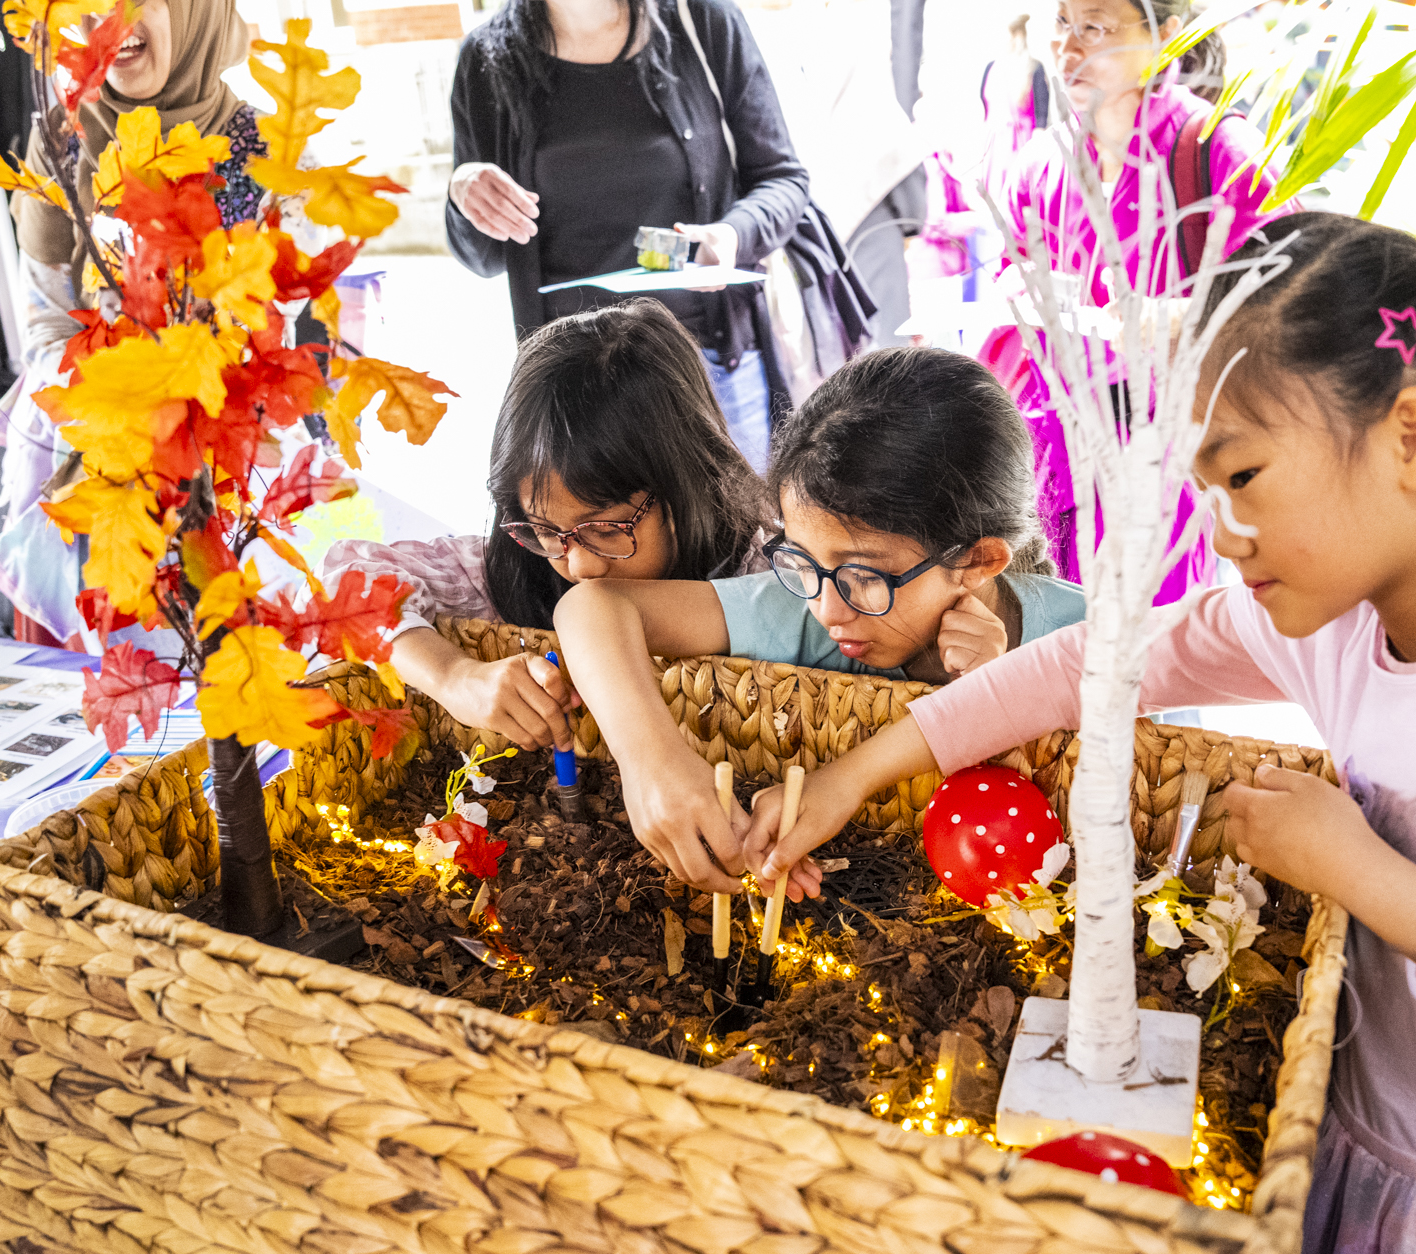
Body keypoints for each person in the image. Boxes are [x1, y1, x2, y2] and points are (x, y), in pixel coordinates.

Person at [744, 213, 1416, 1254]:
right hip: (1356, 1169)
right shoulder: (1328, 623)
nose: (1221, 531)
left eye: (1242, 476)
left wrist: (1356, 870)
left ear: (1413, 438)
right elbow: (1093, 662)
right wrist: (858, 772)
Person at [553, 346, 1086, 890]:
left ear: (977, 561)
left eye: (865, 577)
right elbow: (594, 606)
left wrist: (1003, 688)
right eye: (801, 558)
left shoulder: (1081, 632)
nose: (828, 611)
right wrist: (652, 763)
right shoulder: (800, 602)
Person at [323, 300, 769, 752]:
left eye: (609, 529)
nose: (578, 565)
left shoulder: (764, 579)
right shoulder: (516, 572)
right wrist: (454, 676)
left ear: (688, 484)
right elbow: (347, 584)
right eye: (545, 531)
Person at [0, 0, 261, 650]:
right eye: (90, 6)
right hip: (94, 496)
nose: (114, 22)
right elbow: (45, 332)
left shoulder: (268, 156)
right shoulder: (59, 149)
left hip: (236, 502)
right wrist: (114, 405)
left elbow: (278, 351)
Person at [985, 0, 1285, 607]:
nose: (1068, 50)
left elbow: (1289, 296)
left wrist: (1183, 317)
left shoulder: (1217, 149)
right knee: (1054, 648)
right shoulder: (1041, 162)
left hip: (1167, 466)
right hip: (1051, 460)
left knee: (1154, 665)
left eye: (1094, 27)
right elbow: (1011, 276)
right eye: (1061, 25)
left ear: (1166, 35)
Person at [445, 0, 810, 471]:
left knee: (744, 539)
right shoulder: (487, 57)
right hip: (573, 390)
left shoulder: (701, 20)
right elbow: (484, 257)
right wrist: (464, 194)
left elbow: (783, 179)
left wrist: (731, 234)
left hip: (712, 370)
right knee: (606, 543)